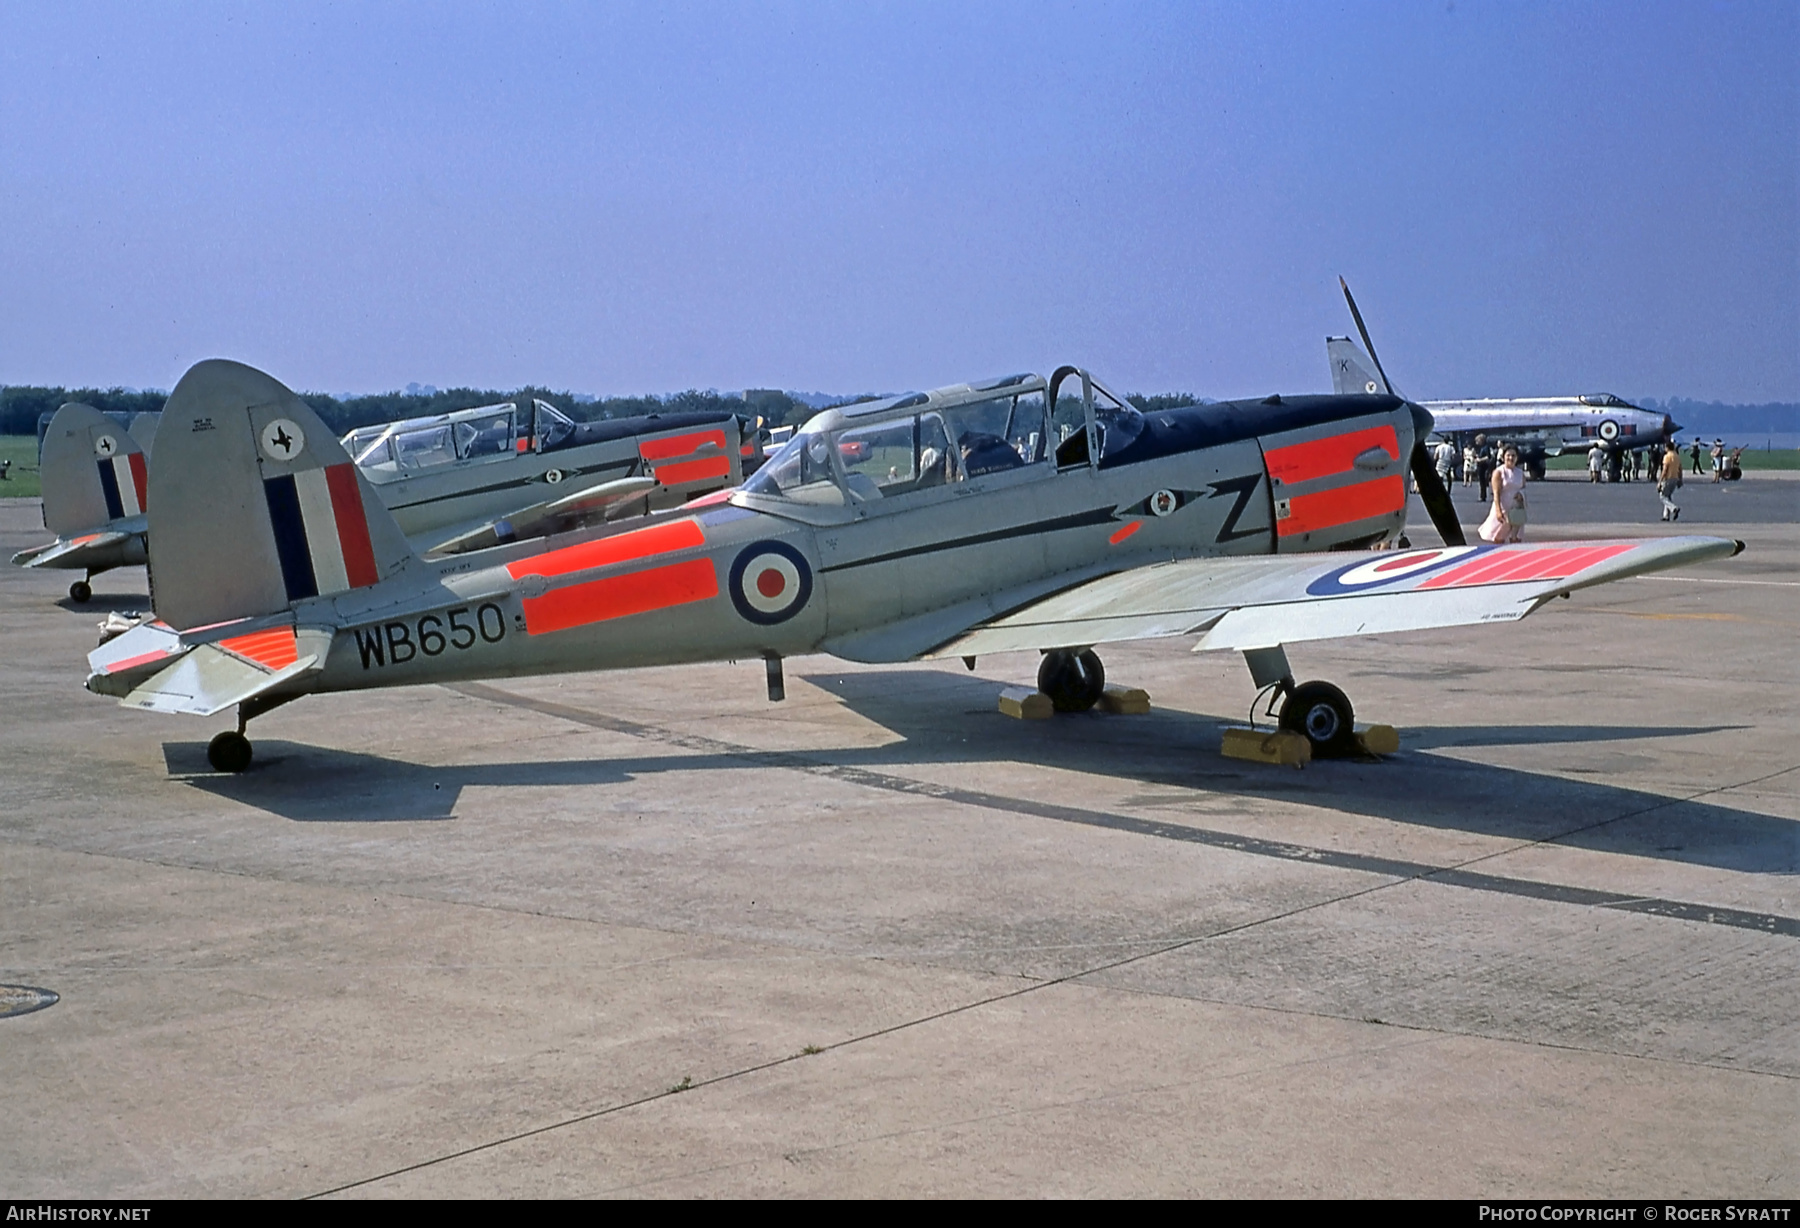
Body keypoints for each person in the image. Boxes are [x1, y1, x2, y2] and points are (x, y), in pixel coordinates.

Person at [1485, 445, 1528, 542]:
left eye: (1513, 456)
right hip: (1503, 507)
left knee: (1516, 538)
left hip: (1516, 508)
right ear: (1503, 457)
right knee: (1499, 538)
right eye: (1508, 455)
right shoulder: (1499, 472)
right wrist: (1498, 510)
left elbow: (1523, 488)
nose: (1511, 458)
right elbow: (1496, 493)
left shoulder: (1520, 473)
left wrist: (1521, 494)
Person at [1657, 441, 1682, 521]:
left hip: (1668, 478)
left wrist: (1660, 481)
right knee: (1668, 496)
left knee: (1663, 496)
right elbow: (1680, 469)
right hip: (1675, 478)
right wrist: (1680, 479)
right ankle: (1666, 516)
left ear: (1667, 448)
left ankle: (1674, 508)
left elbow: (1665, 470)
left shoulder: (1667, 456)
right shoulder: (1677, 456)